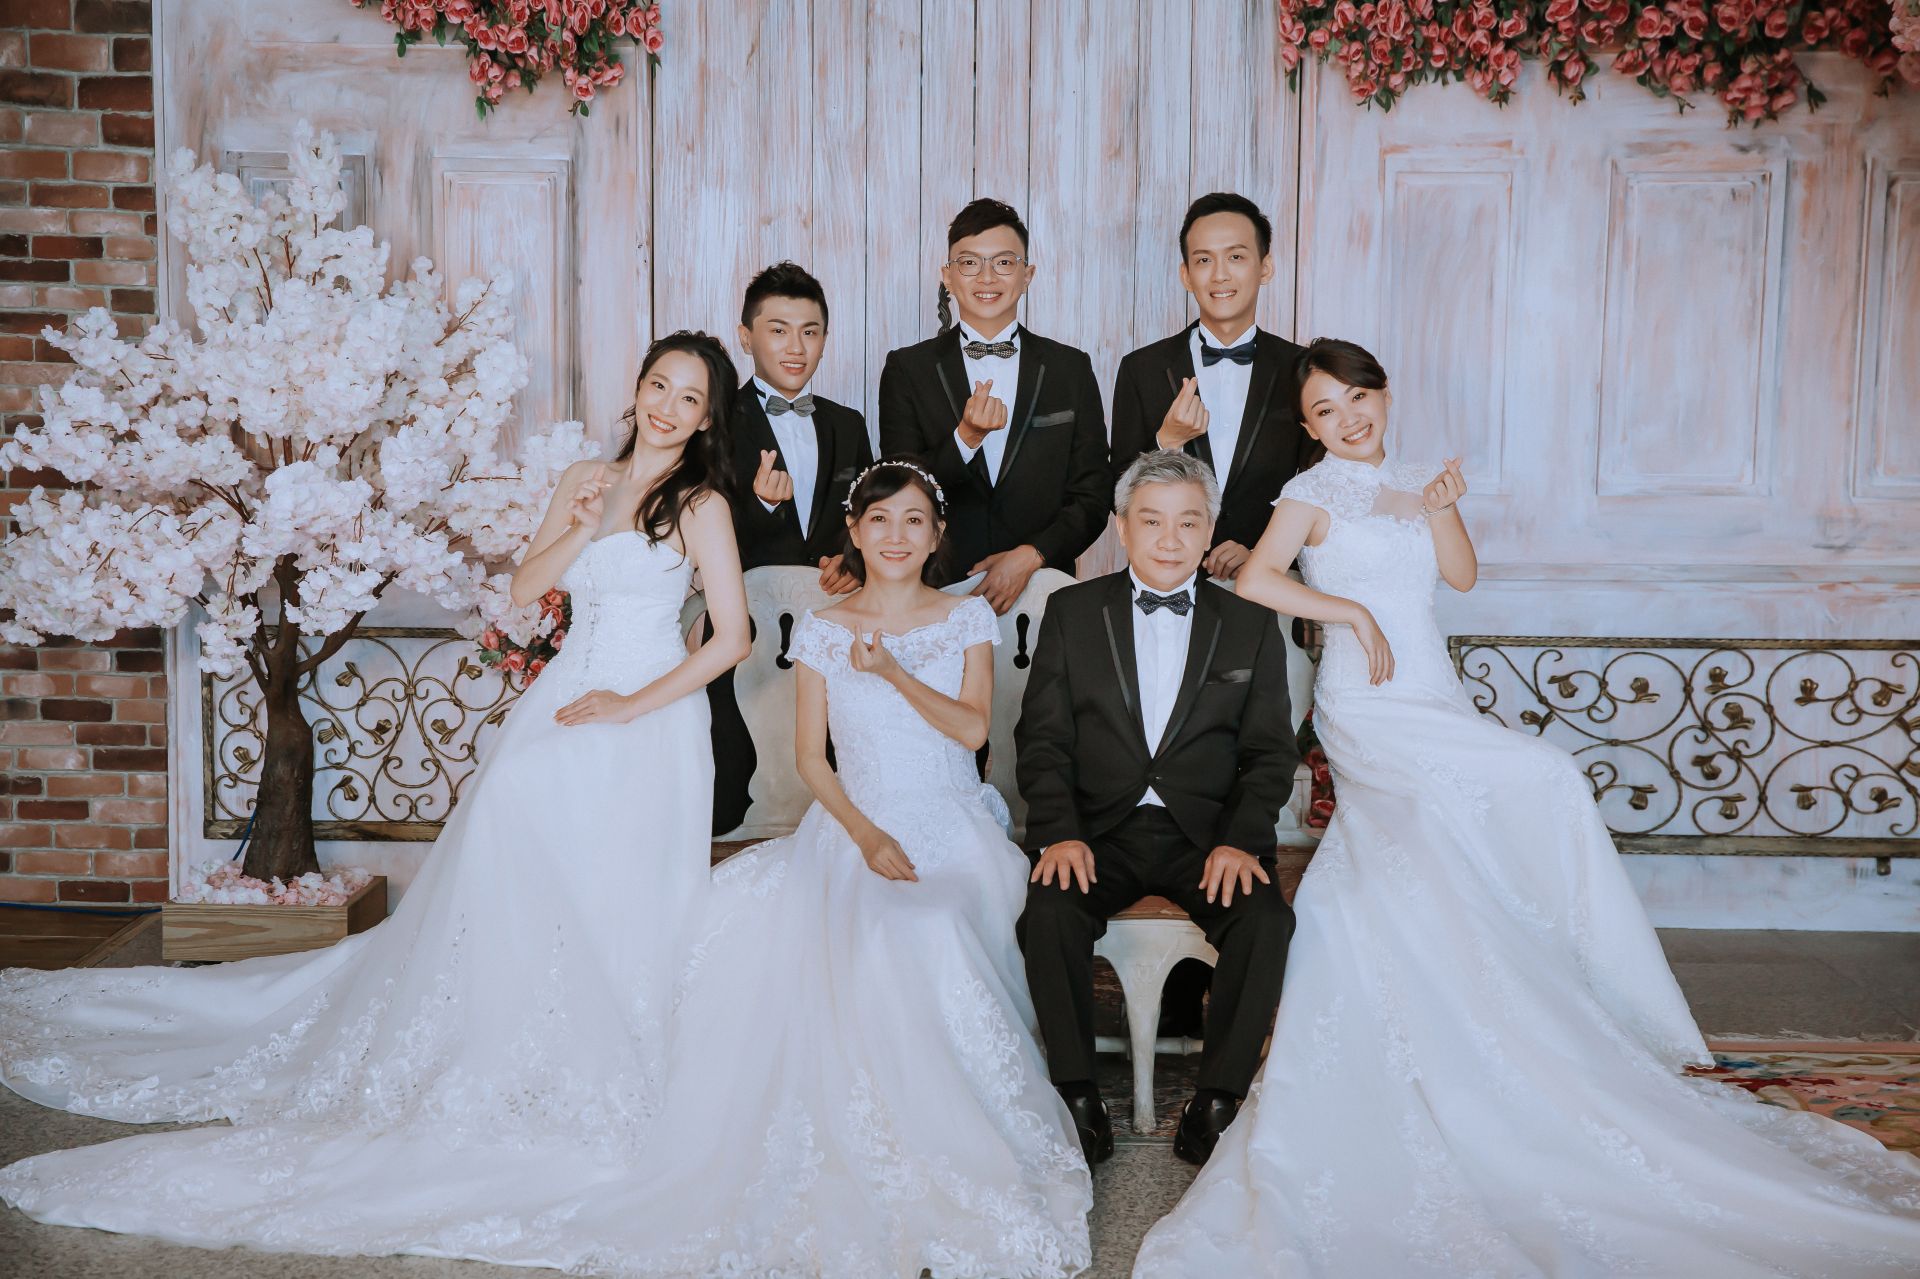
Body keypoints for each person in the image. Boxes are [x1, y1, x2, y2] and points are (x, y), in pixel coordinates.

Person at [1132, 339, 1920, 1277]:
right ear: (1308, 427)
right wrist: (1349, 612)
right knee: (1451, 811)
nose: (1348, 420)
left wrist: (1443, 506)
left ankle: (1550, 983)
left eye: (1358, 400)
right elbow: (1257, 578)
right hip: (1368, 703)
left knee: (1541, 779)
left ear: (1385, 396)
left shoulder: (1421, 479)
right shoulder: (1309, 490)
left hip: (1433, 692)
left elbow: (1461, 577)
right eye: (1326, 411)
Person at [0, 332, 754, 1266]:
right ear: (636, 389)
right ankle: (503, 1036)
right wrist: (580, 520)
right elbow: (527, 588)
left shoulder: (702, 504)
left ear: (708, 417)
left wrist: (630, 705)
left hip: (649, 717)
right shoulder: (585, 478)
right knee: (512, 846)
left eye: (689, 397)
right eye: (658, 385)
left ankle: (602, 1057)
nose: (669, 407)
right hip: (566, 702)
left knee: (618, 891)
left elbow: (732, 637)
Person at [511, 460, 1091, 1276]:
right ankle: (869, 1130)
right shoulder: (823, 627)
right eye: (879, 520)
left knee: (925, 923)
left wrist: (892, 672)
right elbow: (812, 761)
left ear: (937, 535)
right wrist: (864, 834)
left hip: (955, 825)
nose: (896, 536)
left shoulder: (964, 617)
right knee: (825, 926)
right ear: (854, 531)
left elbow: (970, 732)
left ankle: (946, 1129)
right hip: (852, 822)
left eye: (914, 520)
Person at [1015, 448, 1298, 1169]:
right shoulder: (1072, 612)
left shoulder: (1250, 623)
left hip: (1207, 836)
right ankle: (1076, 1096)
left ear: (1210, 531)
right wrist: (1059, 833)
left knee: (1266, 920)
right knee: (1048, 913)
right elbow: (1042, 740)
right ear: (1121, 527)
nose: (1170, 539)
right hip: (1098, 832)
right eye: (1151, 521)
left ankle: (1218, 1100)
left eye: (1188, 522)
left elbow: (1270, 753)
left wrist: (1241, 839)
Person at [877, 198, 1110, 612]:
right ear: (948, 276)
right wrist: (966, 438)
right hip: (935, 591)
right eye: (969, 263)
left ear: (1027, 275)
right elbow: (899, 491)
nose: (987, 277)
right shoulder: (907, 369)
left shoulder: (1070, 368)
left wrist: (1032, 555)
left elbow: (1093, 495)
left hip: (1044, 592)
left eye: (1003, 262)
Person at [712, 261, 873, 832]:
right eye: (778, 330)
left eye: (810, 331)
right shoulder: (714, 422)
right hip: (744, 638)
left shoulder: (848, 424)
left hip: (832, 632)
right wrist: (760, 506)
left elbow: (868, 519)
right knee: (739, 792)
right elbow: (692, 532)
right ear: (746, 336)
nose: (796, 347)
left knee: (833, 789)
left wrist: (853, 561)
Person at [1109, 193, 1306, 583]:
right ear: (1186, 275)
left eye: (1236, 257)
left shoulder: (1301, 370)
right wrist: (1167, 443)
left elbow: (1324, 488)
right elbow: (1116, 495)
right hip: (1169, 582)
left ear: (1265, 267)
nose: (1220, 275)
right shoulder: (1141, 368)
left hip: (1270, 585)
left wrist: (1261, 553)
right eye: (1203, 260)